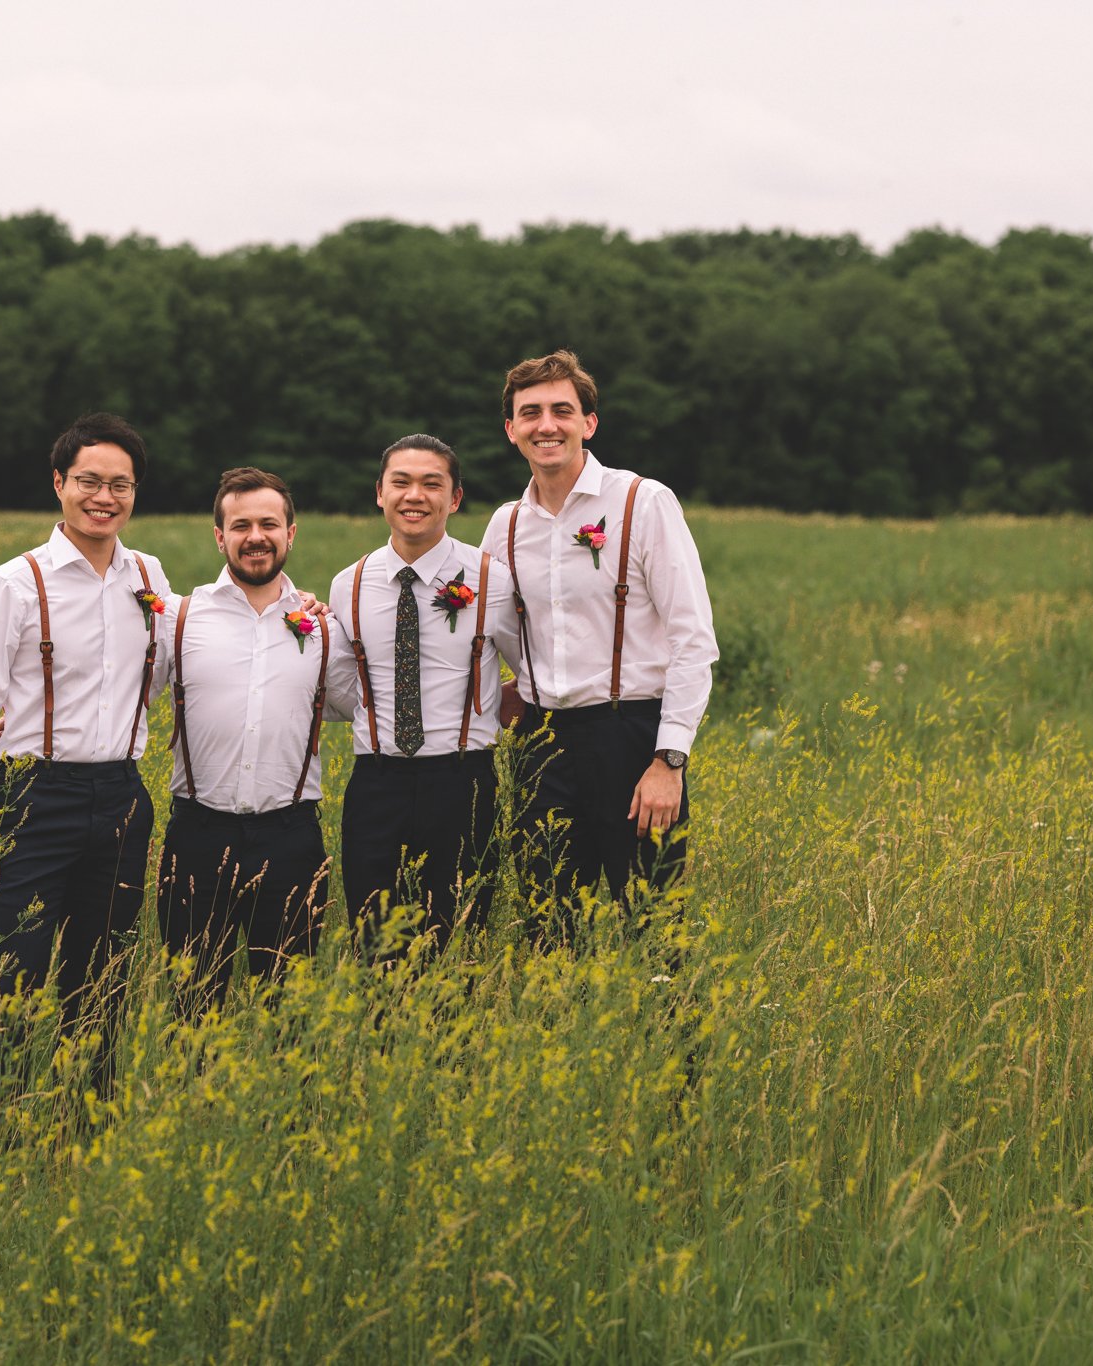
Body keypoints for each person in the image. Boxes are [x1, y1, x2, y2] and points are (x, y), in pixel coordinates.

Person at [0, 411, 167, 1108]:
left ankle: (83, 1124)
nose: (105, 497)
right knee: (11, 972)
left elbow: (163, 668)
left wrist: (296, 607)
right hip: (35, 797)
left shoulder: (148, 574)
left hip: (123, 796)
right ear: (59, 484)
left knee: (102, 977)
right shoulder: (11, 584)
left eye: (120, 485)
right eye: (89, 482)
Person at [481, 350, 719, 921]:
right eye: (530, 413)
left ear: (589, 422)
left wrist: (670, 761)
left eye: (562, 410)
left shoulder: (644, 501)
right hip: (541, 747)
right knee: (550, 925)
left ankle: (666, 1012)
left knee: (655, 921)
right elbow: (488, 628)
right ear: (512, 430)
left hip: (632, 737)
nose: (547, 425)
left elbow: (693, 639)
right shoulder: (505, 524)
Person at [152, 467, 357, 1013]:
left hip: (291, 839)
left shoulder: (325, 629)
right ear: (219, 536)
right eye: (240, 525)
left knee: (291, 1008)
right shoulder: (179, 618)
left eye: (269, 523)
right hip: (196, 833)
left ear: (292, 532)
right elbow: (119, 687)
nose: (256, 536)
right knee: (191, 1005)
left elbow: (363, 704)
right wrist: (24, 713)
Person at [333, 435, 520, 953]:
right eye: (401, 482)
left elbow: (530, 674)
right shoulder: (347, 584)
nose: (415, 495)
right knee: (375, 946)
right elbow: (342, 685)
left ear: (455, 498)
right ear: (380, 493)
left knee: (461, 941)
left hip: (462, 783)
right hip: (376, 784)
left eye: (431, 483)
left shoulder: (492, 580)